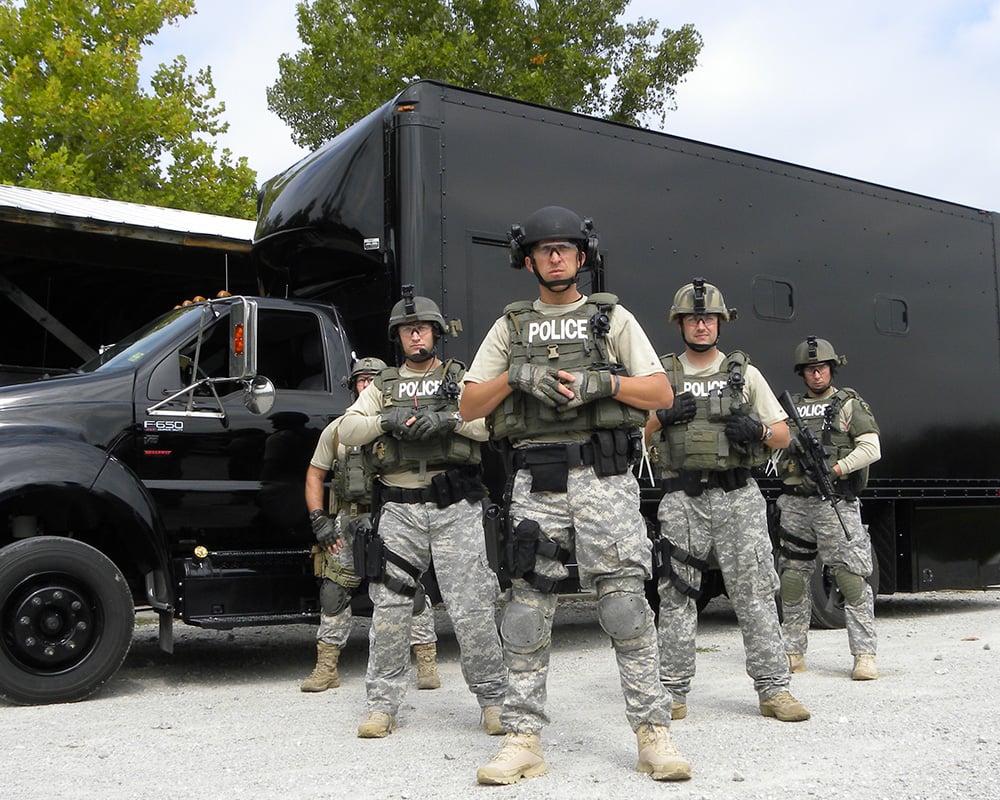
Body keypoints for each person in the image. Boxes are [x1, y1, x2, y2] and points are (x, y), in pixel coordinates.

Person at [461, 206, 691, 785]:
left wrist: (603, 382)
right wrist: (515, 376)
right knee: (524, 611)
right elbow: (468, 405)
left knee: (624, 605)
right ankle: (523, 738)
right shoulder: (511, 326)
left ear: (581, 257)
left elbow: (662, 392)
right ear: (529, 259)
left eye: (565, 248)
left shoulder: (610, 318)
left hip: (604, 480)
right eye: (544, 249)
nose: (556, 257)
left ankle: (652, 733)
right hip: (535, 479)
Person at [337, 289, 507, 739]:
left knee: (471, 606)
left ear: (436, 332)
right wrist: (386, 421)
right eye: (409, 330)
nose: (416, 336)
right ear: (399, 337)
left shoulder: (459, 377)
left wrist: (451, 419)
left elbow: (491, 423)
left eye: (423, 329)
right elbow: (348, 428)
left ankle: (493, 700)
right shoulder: (384, 385)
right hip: (400, 508)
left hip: (455, 507)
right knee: (390, 607)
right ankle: (381, 705)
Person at [646, 278, 810, 723]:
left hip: (738, 496)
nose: (702, 325)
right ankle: (673, 692)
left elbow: (783, 435)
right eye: (694, 318)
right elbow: (632, 436)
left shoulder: (745, 375)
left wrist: (754, 430)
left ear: (721, 322)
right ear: (680, 324)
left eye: (709, 318)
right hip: (682, 499)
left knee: (755, 593)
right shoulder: (662, 377)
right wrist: (661, 417)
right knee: (676, 596)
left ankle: (774, 689)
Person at [302, 357, 441, 693]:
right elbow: (314, 475)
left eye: (373, 380)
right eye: (361, 381)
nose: (366, 386)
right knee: (333, 591)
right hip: (349, 521)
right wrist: (319, 520)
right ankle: (326, 667)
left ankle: (426, 662)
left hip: (392, 517)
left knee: (409, 588)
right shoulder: (337, 431)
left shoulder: (404, 427)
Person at [776, 336, 881, 680]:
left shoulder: (848, 404)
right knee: (791, 580)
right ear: (802, 373)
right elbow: (771, 450)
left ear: (831, 369)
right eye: (809, 369)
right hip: (795, 504)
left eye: (821, 368)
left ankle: (864, 655)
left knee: (850, 579)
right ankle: (793, 652)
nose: (816, 375)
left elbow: (871, 448)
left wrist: (836, 470)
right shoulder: (789, 411)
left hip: (835, 501)